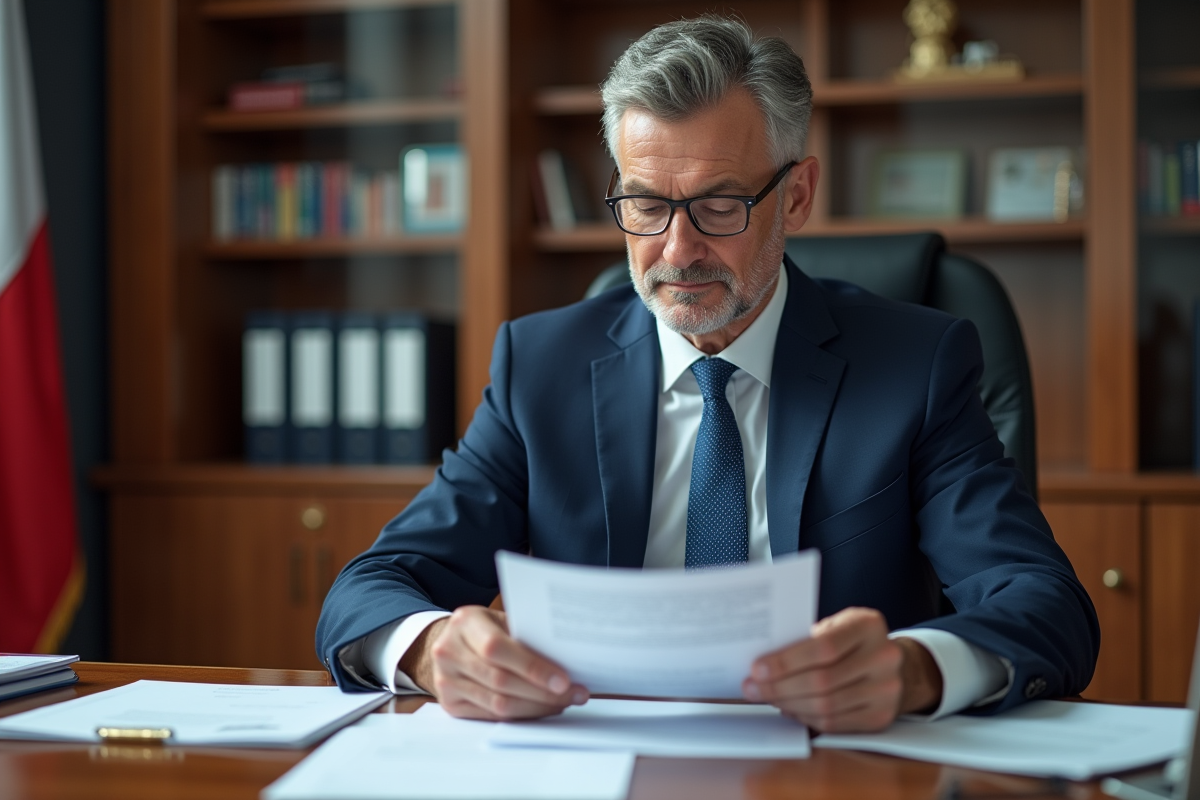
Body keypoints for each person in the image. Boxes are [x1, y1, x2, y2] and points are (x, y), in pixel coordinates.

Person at [317, 15, 1098, 733]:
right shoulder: (541, 366)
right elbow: (371, 587)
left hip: (830, 766)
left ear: (796, 194)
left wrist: (915, 669)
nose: (677, 249)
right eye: (646, 205)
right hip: (589, 757)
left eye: (720, 206)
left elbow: (1044, 603)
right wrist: (430, 648)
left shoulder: (914, 367)